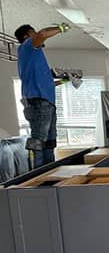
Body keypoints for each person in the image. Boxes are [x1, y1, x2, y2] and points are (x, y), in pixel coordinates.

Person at [15, 23, 71, 168]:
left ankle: (49, 174)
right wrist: (60, 28)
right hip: (38, 103)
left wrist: (64, 81)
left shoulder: (35, 56)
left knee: (49, 142)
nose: (36, 34)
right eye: (33, 32)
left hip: (46, 103)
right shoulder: (27, 47)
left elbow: (47, 84)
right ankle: (37, 178)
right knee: (39, 142)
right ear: (26, 36)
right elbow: (42, 35)